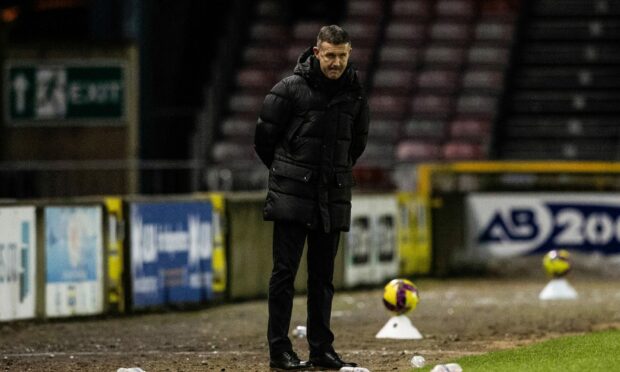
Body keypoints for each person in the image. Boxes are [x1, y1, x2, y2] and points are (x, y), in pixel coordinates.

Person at [254, 25, 369, 371]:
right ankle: (280, 351)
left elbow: (356, 144)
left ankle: (322, 350)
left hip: (330, 197)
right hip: (292, 195)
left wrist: (331, 174)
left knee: (323, 279)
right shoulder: (289, 89)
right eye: (330, 55)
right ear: (316, 52)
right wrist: (289, 173)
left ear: (349, 54)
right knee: (284, 275)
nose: (336, 62)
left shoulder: (355, 93)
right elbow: (264, 140)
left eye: (342, 55)